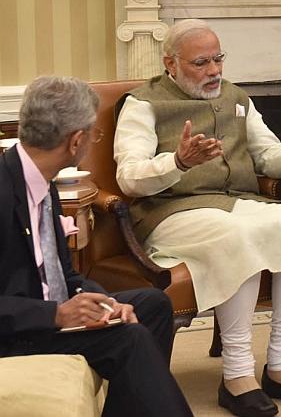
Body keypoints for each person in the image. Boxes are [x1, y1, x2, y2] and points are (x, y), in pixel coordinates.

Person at [114, 19, 281, 417]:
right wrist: (177, 162)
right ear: (171, 63)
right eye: (201, 62)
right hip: (172, 211)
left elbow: (271, 158)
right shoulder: (142, 104)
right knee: (234, 237)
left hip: (236, 203)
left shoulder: (236, 97)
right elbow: (128, 176)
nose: (214, 70)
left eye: (218, 59)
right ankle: (237, 376)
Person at [0, 76, 193, 417]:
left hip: (50, 314)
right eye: (94, 133)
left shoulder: (40, 181)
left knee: (152, 304)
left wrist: (104, 303)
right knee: (130, 339)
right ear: (76, 141)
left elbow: (64, 275)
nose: (94, 140)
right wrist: (56, 314)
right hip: (19, 333)